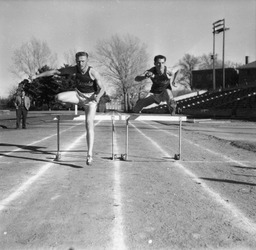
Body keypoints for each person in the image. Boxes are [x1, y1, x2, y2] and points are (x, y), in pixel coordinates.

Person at [30, 51, 106, 165]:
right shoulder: (74, 69)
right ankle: (71, 105)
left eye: (83, 61)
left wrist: (98, 97)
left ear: (87, 61)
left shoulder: (92, 72)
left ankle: (89, 154)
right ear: (76, 61)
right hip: (78, 96)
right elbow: (55, 71)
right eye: (78, 61)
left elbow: (103, 88)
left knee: (89, 124)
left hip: (90, 101)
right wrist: (36, 76)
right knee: (59, 97)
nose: (80, 64)